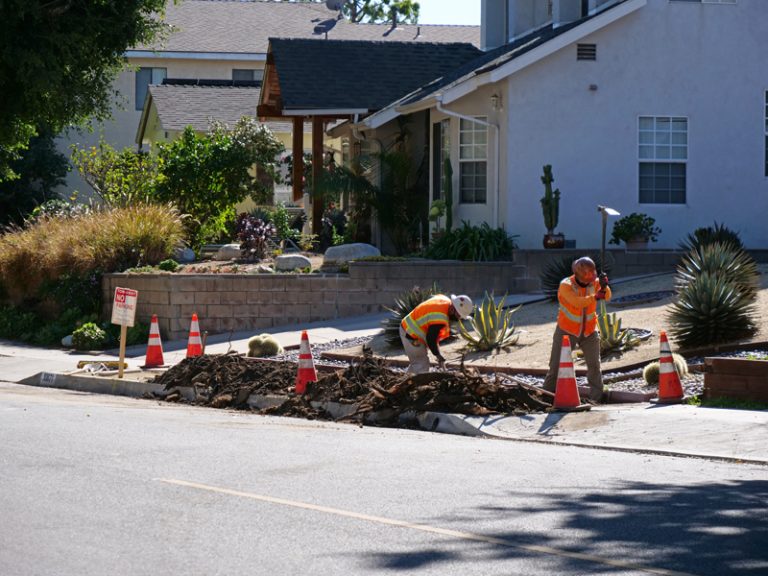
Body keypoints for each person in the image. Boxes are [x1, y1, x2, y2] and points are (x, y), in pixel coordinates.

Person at [542, 256, 611, 402]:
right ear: (580, 275)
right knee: (555, 366)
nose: (593, 275)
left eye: (594, 272)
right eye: (589, 273)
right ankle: (545, 398)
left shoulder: (595, 282)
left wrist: (605, 287)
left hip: (589, 331)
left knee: (594, 366)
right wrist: (595, 296)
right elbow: (577, 303)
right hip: (566, 331)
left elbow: (607, 296)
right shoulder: (566, 285)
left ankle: (596, 399)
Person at [399, 294, 474, 374]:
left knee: (417, 363)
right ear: (453, 309)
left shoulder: (445, 300)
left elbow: (434, 336)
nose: (459, 319)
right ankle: (416, 384)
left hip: (409, 327)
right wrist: (438, 355)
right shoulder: (440, 318)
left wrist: (438, 355)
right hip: (410, 332)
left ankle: (405, 382)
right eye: (459, 316)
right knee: (421, 364)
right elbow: (430, 338)